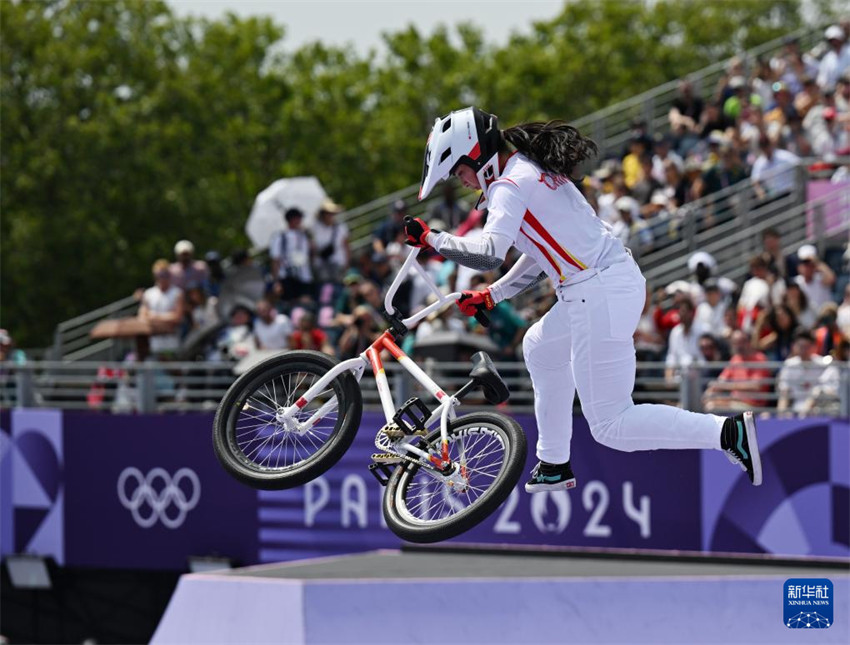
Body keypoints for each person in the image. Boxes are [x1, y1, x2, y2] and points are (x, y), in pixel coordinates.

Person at [406, 107, 765, 492]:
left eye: (459, 171)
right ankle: (554, 462)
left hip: (596, 290)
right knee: (539, 347)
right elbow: (540, 254)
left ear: (476, 153)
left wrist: (432, 239)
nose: (461, 182)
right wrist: (494, 294)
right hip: (601, 286)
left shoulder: (510, 184)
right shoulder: (524, 171)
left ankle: (726, 432)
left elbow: (489, 253)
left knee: (611, 425)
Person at [702, 330, 772, 412]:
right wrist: (710, 391)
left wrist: (726, 386)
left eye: (742, 342)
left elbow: (756, 386)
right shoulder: (735, 359)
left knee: (712, 406)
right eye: (735, 343)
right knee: (707, 401)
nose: (739, 346)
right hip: (735, 402)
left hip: (753, 406)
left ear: (749, 342)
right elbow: (721, 381)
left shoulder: (760, 359)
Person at [139, 259, 185, 359]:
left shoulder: (177, 293)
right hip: (154, 344)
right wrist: (167, 317)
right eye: (159, 275)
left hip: (172, 343)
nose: (162, 278)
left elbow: (177, 317)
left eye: (165, 275)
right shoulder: (149, 294)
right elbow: (142, 318)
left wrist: (154, 316)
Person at [777, 330, 829, 416]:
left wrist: (809, 406)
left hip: (819, 409)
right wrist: (781, 414)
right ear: (794, 347)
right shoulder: (789, 365)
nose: (804, 350)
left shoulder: (822, 364)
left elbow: (824, 390)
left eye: (807, 347)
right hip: (795, 409)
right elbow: (784, 392)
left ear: (814, 347)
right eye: (801, 346)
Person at [269, 208, 314, 303]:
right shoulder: (280, 236)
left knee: (306, 302)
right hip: (287, 276)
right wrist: (276, 281)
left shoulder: (304, 235)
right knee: (291, 304)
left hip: (304, 275)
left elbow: (311, 254)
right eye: (298, 218)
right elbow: (275, 259)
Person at [312, 199, 350, 285]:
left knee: (339, 286)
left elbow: (346, 246)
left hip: (338, 263)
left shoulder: (341, 228)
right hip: (322, 265)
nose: (330, 216)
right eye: (328, 213)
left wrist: (347, 264)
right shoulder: (315, 228)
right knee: (326, 288)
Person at [794, 244, 836, 315]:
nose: (807, 267)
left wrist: (816, 262)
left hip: (825, 318)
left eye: (810, 264)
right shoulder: (796, 283)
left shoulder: (821, 278)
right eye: (804, 263)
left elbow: (831, 279)